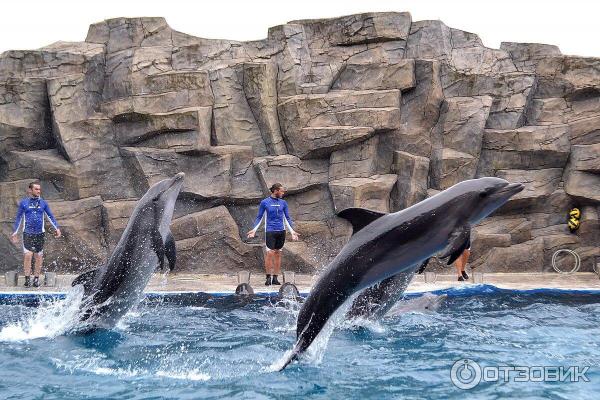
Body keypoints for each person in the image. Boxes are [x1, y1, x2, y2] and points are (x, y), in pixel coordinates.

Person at [10, 182, 61, 287]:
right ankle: (27, 279)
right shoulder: (24, 203)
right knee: (28, 255)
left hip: (39, 233)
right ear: (30, 190)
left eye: (39, 189)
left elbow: (50, 216)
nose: (38, 191)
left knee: (38, 256)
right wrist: (15, 232)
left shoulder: (43, 203)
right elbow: (19, 218)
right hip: (27, 233)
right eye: (36, 189)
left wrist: (57, 228)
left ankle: (36, 279)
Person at [247, 183, 298, 286]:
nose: (283, 193)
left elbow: (287, 218)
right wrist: (254, 229)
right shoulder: (265, 202)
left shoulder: (283, 203)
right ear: (275, 191)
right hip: (270, 231)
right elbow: (259, 217)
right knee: (270, 253)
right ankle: (268, 277)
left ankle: (275, 278)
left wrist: (292, 231)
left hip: (281, 231)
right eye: (281, 191)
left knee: (278, 253)